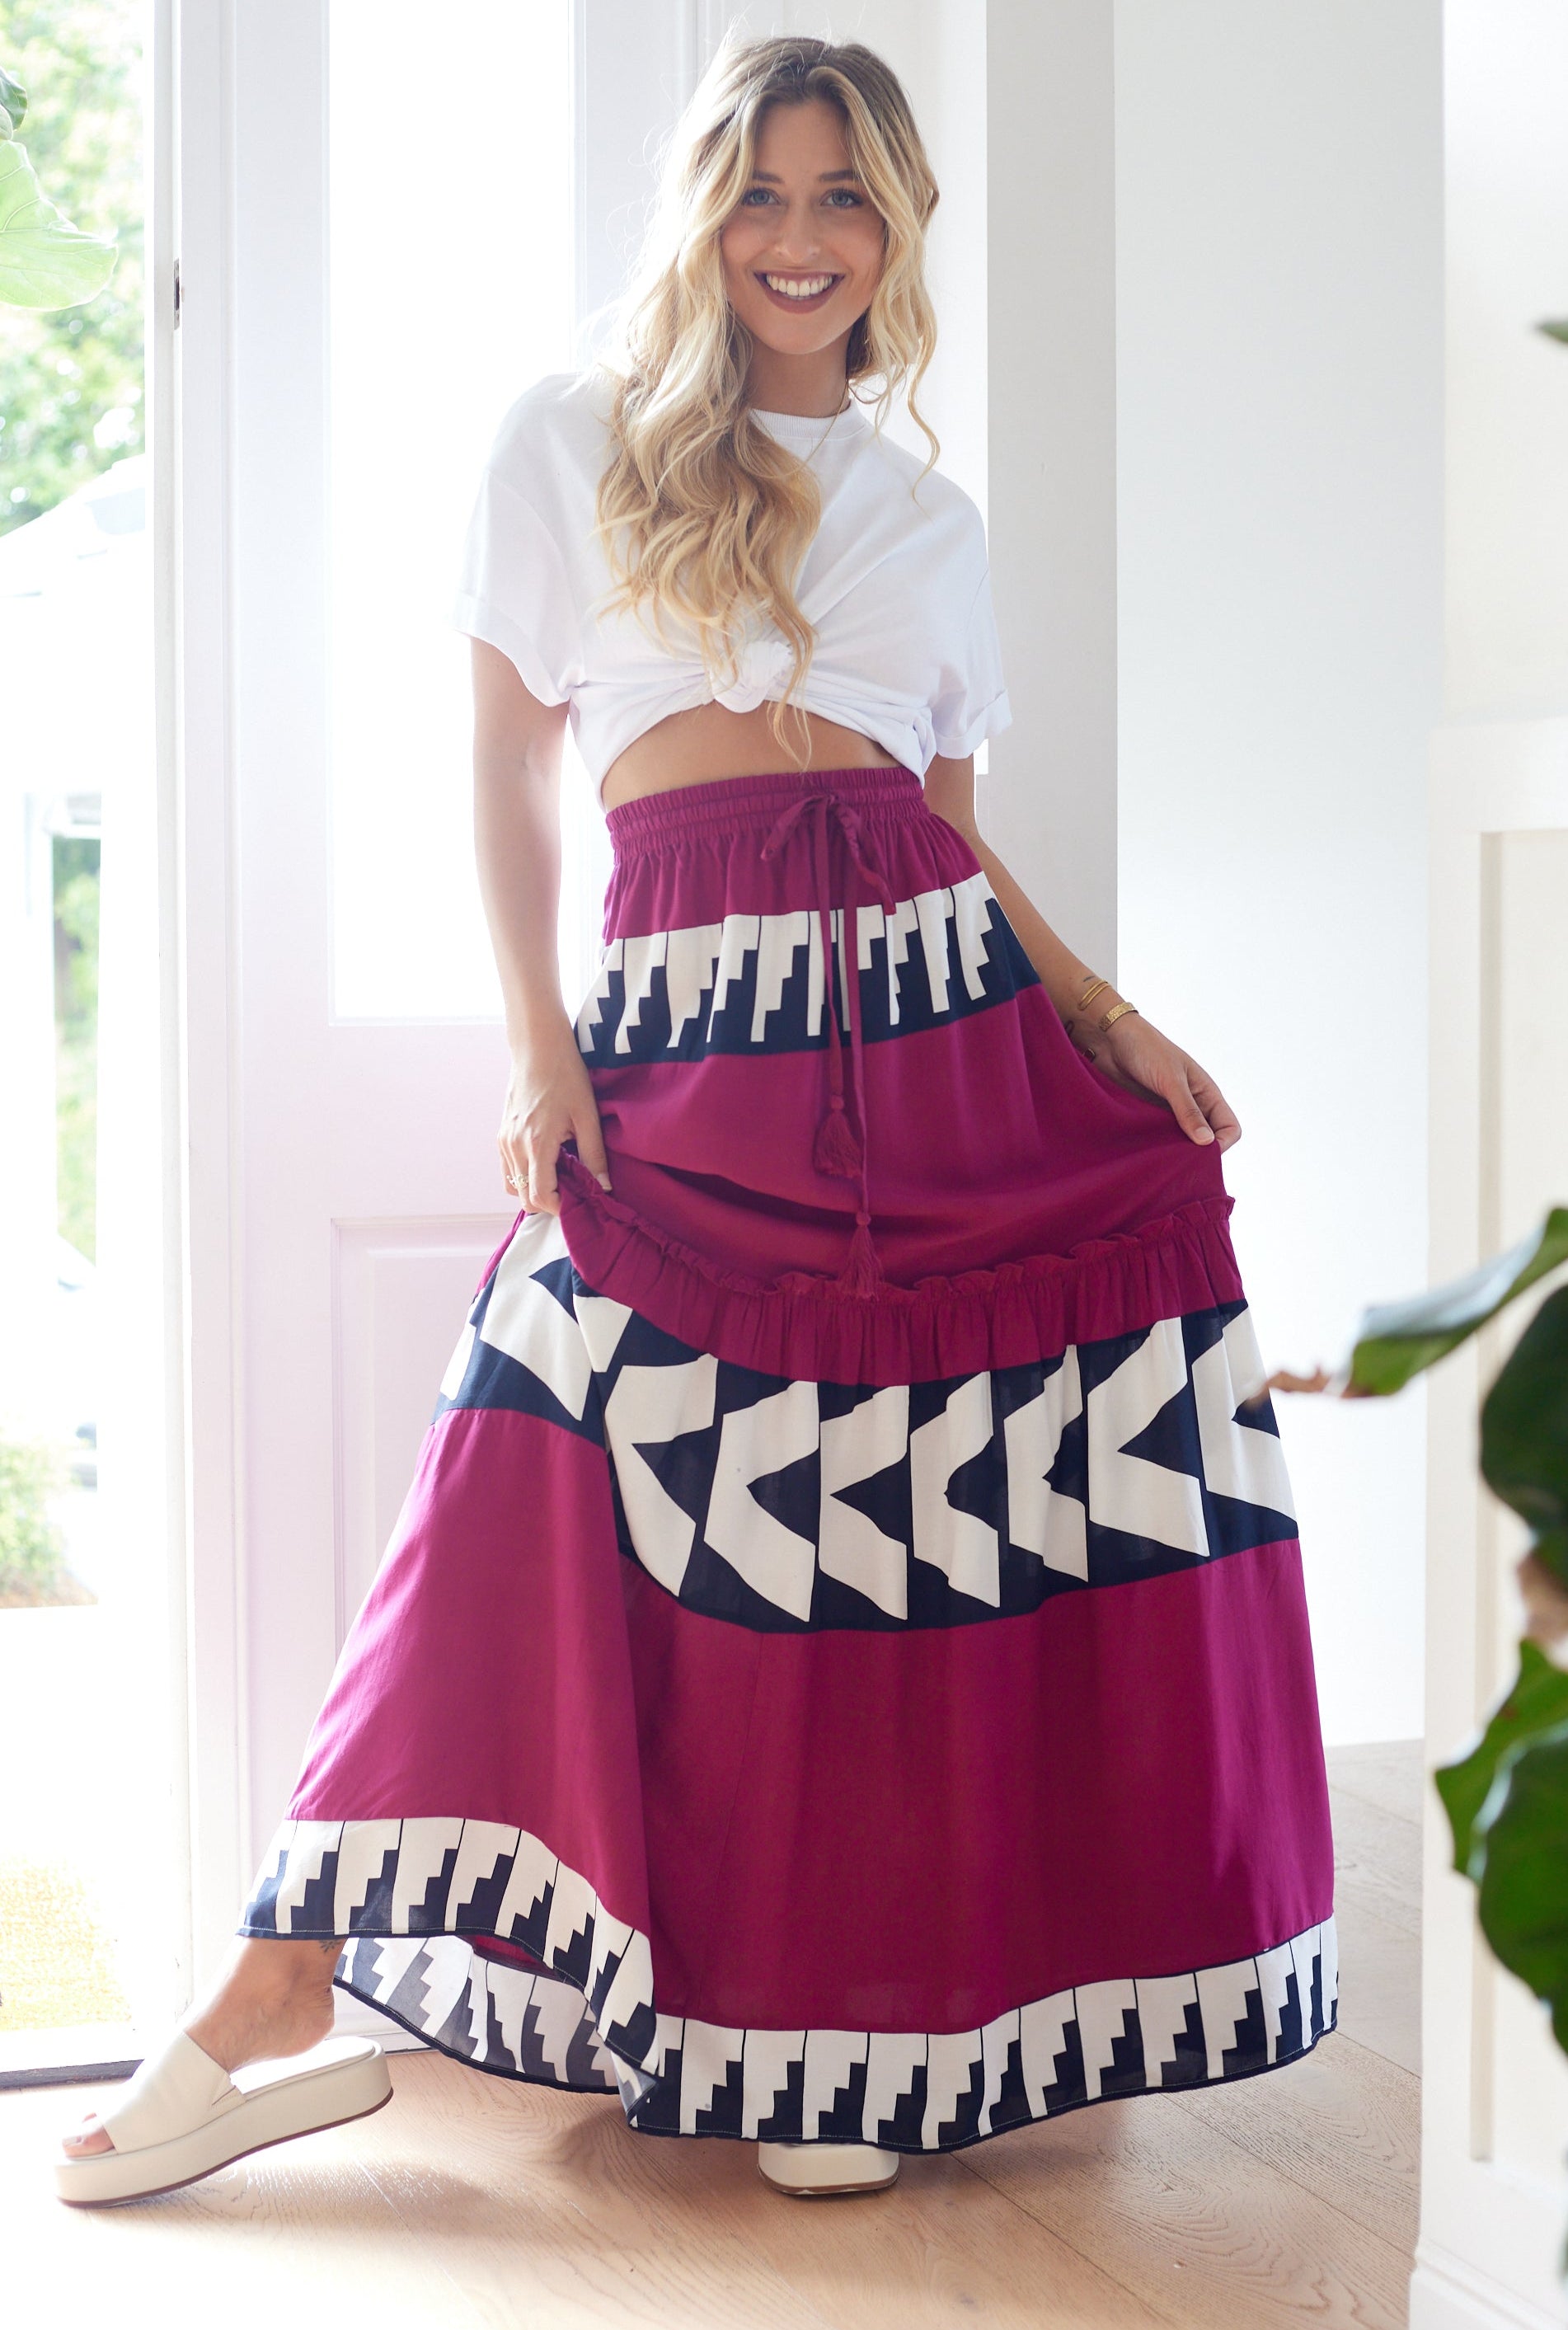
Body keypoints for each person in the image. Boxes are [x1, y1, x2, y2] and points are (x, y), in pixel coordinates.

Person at [59, 33, 1335, 2208]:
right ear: (706, 209)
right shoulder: (570, 442)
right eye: (766, 193)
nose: (804, 241)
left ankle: (839, 2025)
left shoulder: (936, 519)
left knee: (895, 1521)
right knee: (526, 1450)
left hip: (939, 1055)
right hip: (687, 1041)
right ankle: (282, 1976)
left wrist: (1105, 1014)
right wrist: (542, 1044)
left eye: (848, 201)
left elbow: (952, 829)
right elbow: (504, 763)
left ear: (900, 227)